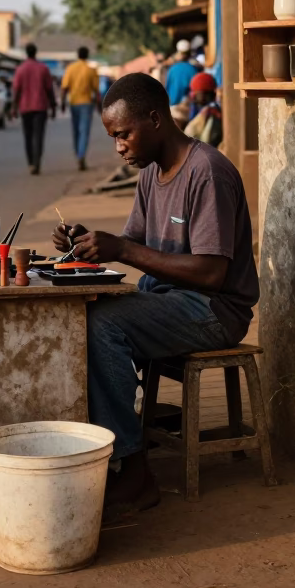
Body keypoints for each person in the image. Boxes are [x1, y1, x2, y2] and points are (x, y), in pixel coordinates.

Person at [52, 73, 258, 517]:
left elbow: (211, 271)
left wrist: (123, 248)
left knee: (102, 326)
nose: (120, 146)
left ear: (156, 118)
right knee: (82, 311)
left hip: (214, 309)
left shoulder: (207, 172)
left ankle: (132, 471)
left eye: (123, 134)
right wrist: (86, 243)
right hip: (169, 299)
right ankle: (112, 441)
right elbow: (136, 245)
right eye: (113, 138)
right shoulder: (151, 175)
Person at [12, 42, 56, 175]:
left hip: (25, 108)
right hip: (40, 107)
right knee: (38, 136)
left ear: (26, 53)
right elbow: (49, 89)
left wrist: (14, 107)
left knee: (28, 136)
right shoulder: (43, 68)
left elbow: (16, 90)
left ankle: (31, 163)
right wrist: (53, 106)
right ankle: (37, 163)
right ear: (35, 53)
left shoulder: (20, 69)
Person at [61, 46, 100, 171]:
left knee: (76, 131)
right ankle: (81, 155)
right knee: (84, 131)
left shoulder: (70, 69)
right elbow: (96, 91)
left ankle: (78, 153)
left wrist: (62, 102)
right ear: (87, 55)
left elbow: (64, 87)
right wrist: (100, 106)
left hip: (74, 103)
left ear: (78, 55)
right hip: (87, 103)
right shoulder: (91, 70)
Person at [184, 72, 223, 147]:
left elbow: (210, 141)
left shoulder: (213, 114)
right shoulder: (200, 110)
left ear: (207, 94)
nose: (193, 97)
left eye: (196, 93)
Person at [164, 39, 197, 106]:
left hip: (172, 107)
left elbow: (167, 88)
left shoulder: (172, 69)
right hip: (188, 107)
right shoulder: (193, 70)